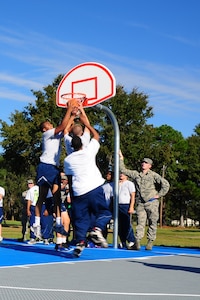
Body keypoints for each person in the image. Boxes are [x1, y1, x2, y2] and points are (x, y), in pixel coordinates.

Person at [64, 112, 112, 257]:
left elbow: (66, 130)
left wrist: (71, 115)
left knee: (80, 219)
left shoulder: (68, 159)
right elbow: (96, 136)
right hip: (94, 187)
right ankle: (97, 229)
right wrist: (85, 117)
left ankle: (80, 243)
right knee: (105, 212)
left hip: (79, 191)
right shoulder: (88, 151)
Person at [34, 101, 75, 246]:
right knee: (43, 195)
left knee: (57, 197)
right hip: (45, 166)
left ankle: (58, 223)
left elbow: (66, 129)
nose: (52, 126)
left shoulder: (55, 135)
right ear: (45, 128)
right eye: (50, 125)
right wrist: (69, 109)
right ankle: (37, 224)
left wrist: (73, 116)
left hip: (54, 168)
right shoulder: (47, 134)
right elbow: (62, 126)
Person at [119, 152, 170, 250]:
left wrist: (158, 195)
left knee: (152, 222)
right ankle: (137, 242)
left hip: (152, 202)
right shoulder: (137, 174)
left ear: (150, 166)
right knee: (140, 223)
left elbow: (166, 185)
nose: (143, 164)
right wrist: (121, 158)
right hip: (141, 203)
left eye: (146, 163)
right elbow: (123, 170)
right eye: (143, 162)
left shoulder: (154, 175)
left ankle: (150, 241)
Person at [118, 172, 136, 250]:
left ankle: (131, 240)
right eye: (120, 173)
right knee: (119, 225)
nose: (121, 175)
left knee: (126, 224)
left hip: (125, 205)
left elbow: (133, 196)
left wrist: (131, 207)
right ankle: (122, 241)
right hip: (117, 205)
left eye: (123, 174)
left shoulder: (129, 184)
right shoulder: (117, 183)